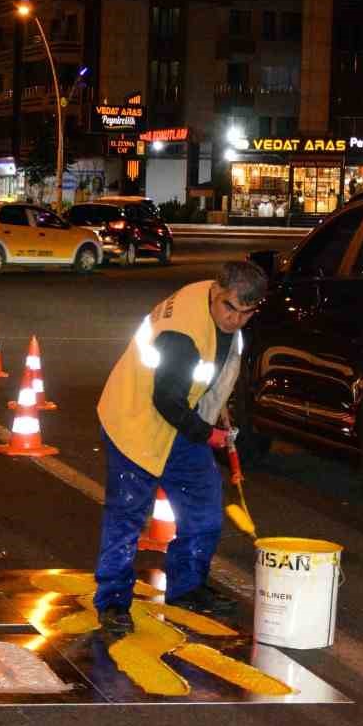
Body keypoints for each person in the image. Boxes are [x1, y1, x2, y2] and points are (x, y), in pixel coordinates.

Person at [92, 260, 268, 634]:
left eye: (246, 313)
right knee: (127, 517)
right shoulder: (182, 332)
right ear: (216, 292)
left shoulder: (218, 303)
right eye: (229, 308)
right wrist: (209, 435)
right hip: (135, 420)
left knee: (204, 511)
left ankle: (187, 589)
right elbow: (167, 399)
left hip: (181, 425)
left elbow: (210, 375)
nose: (235, 320)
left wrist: (214, 411)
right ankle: (112, 602)